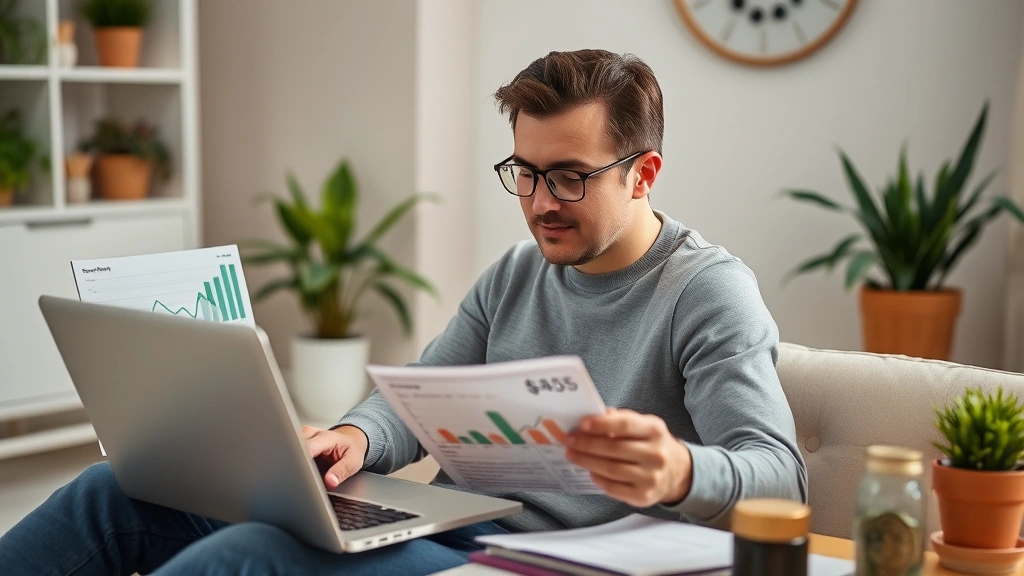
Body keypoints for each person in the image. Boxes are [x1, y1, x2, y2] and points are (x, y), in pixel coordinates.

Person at [0, 49, 806, 575]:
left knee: (248, 557)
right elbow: (415, 394)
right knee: (109, 491)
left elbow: (782, 474)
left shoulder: (706, 291)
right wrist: (354, 437)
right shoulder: (516, 274)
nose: (538, 203)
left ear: (643, 173)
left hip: (547, 554)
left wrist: (677, 469)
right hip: (445, 518)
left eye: (568, 178)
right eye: (523, 173)